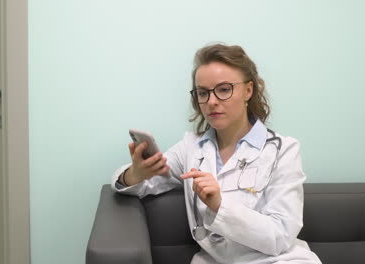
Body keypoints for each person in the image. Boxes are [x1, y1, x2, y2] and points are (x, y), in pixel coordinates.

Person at [111, 43, 322, 264]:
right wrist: (135, 173)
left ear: (248, 91)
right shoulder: (191, 148)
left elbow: (281, 236)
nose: (211, 101)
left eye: (223, 89)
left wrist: (219, 206)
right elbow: (139, 184)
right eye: (203, 92)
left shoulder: (284, 150)